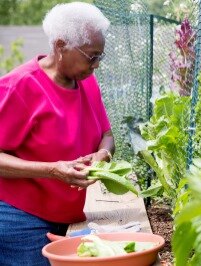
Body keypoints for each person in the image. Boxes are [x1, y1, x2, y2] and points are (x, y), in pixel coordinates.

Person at [0, 2, 115, 265]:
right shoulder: (20, 87)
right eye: (92, 56)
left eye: (100, 56)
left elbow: (107, 135)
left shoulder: (87, 82)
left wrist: (102, 156)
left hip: (68, 215)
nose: (96, 64)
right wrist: (53, 170)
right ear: (61, 46)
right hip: (19, 220)